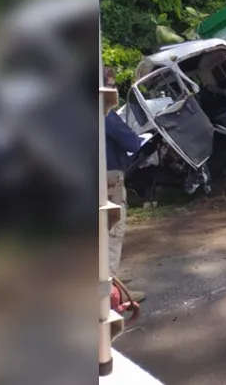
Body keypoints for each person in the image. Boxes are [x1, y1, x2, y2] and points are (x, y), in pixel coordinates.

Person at [103, 67, 146, 301]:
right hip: (108, 179)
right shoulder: (104, 111)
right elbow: (129, 140)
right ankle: (108, 296)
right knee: (112, 232)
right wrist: (139, 141)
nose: (113, 89)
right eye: (110, 85)